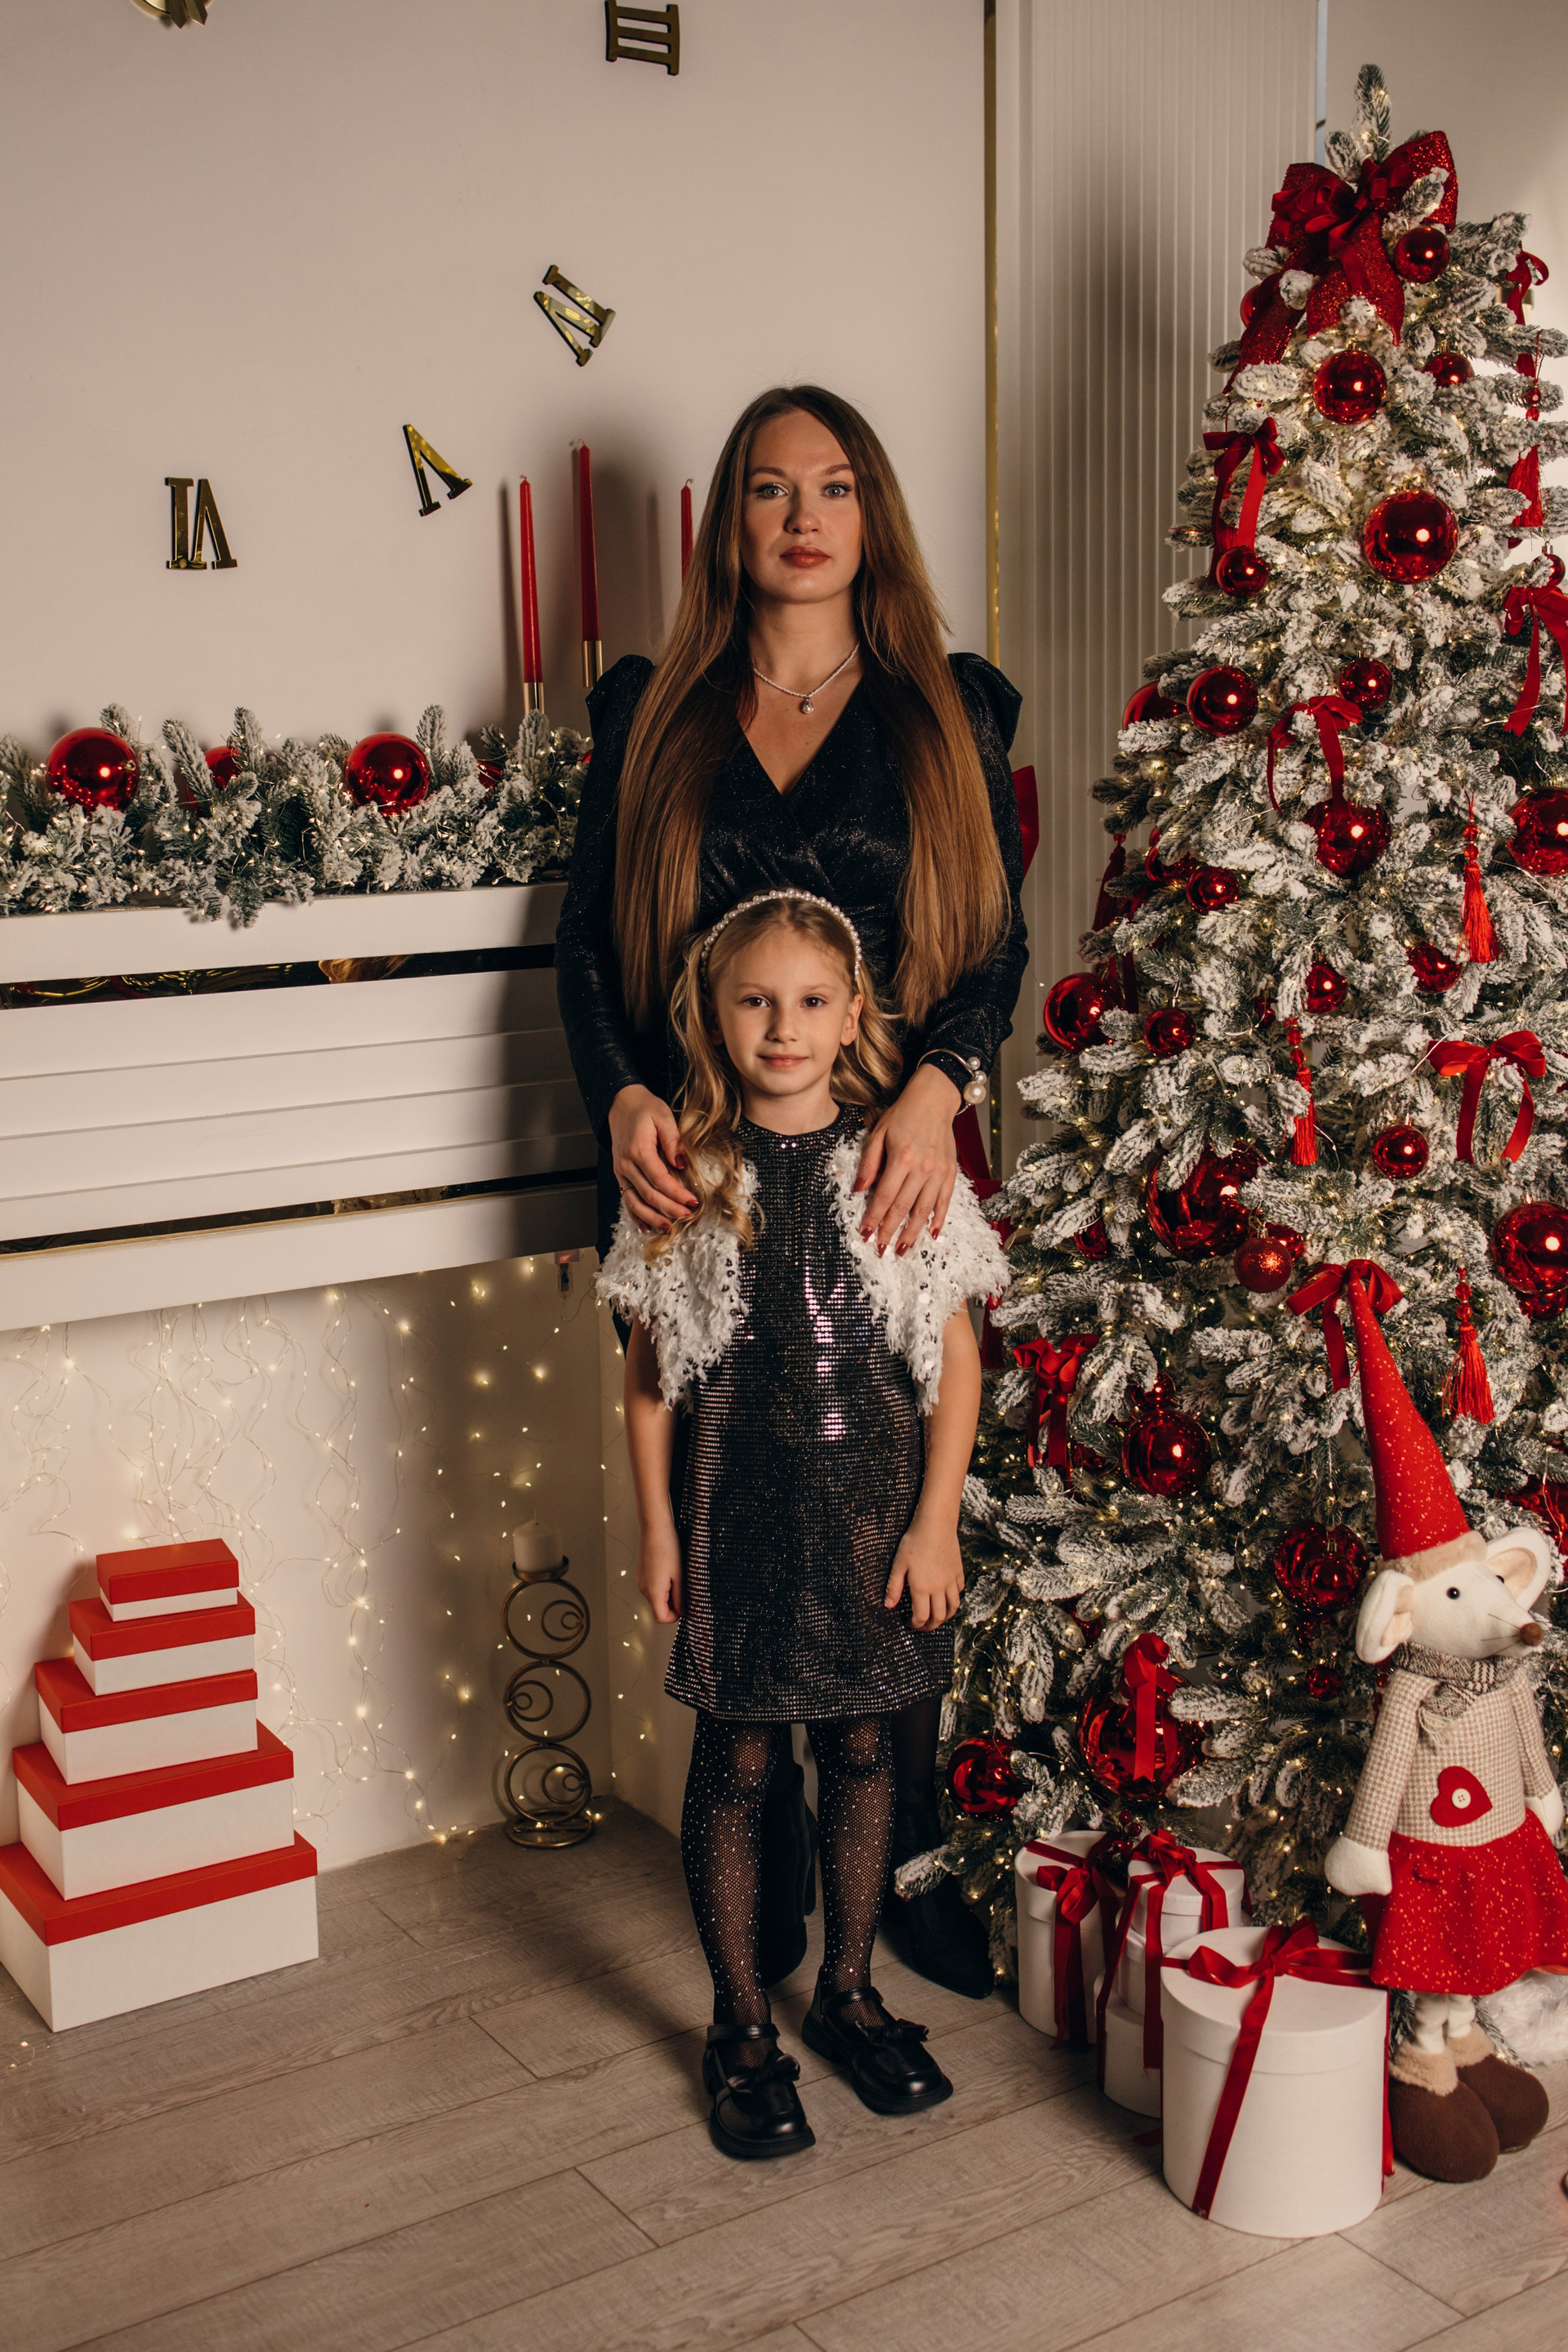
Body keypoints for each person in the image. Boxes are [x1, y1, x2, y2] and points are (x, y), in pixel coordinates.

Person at [556, 384, 1028, 1996]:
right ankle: (756, 1856)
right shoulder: (655, 715)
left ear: (870, 513)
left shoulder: (944, 710)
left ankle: (901, 1852)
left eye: (833, 487)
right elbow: (582, 948)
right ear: (732, 521)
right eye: (769, 489)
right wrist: (622, 1090)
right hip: (697, 1157)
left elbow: (995, 943)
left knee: (890, 1485)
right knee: (737, 1481)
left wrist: (940, 1088)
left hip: (891, 1149)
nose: (803, 517)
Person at [601, 890, 1007, 2158]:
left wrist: (935, 1525)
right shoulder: (687, 1177)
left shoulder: (897, 1165)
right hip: (737, 1527)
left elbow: (955, 1361)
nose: (784, 1027)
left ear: (851, 1015)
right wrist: (659, 1532)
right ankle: (739, 2025)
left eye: (811, 1001)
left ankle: (847, 1991)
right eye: (756, 1001)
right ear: (714, 1016)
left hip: (872, 1527)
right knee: (736, 1764)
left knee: (869, 1752)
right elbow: (651, 1375)